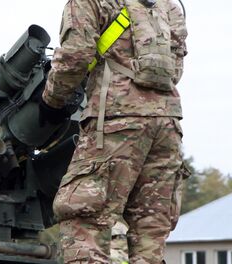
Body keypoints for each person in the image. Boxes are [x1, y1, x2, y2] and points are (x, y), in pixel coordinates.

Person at [40, 0, 189, 262]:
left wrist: (52, 102)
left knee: (84, 217)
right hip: (167, 125)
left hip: (115, 122)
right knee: (150, 229)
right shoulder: (168, 5)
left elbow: (76, 57)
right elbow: (175, 68)